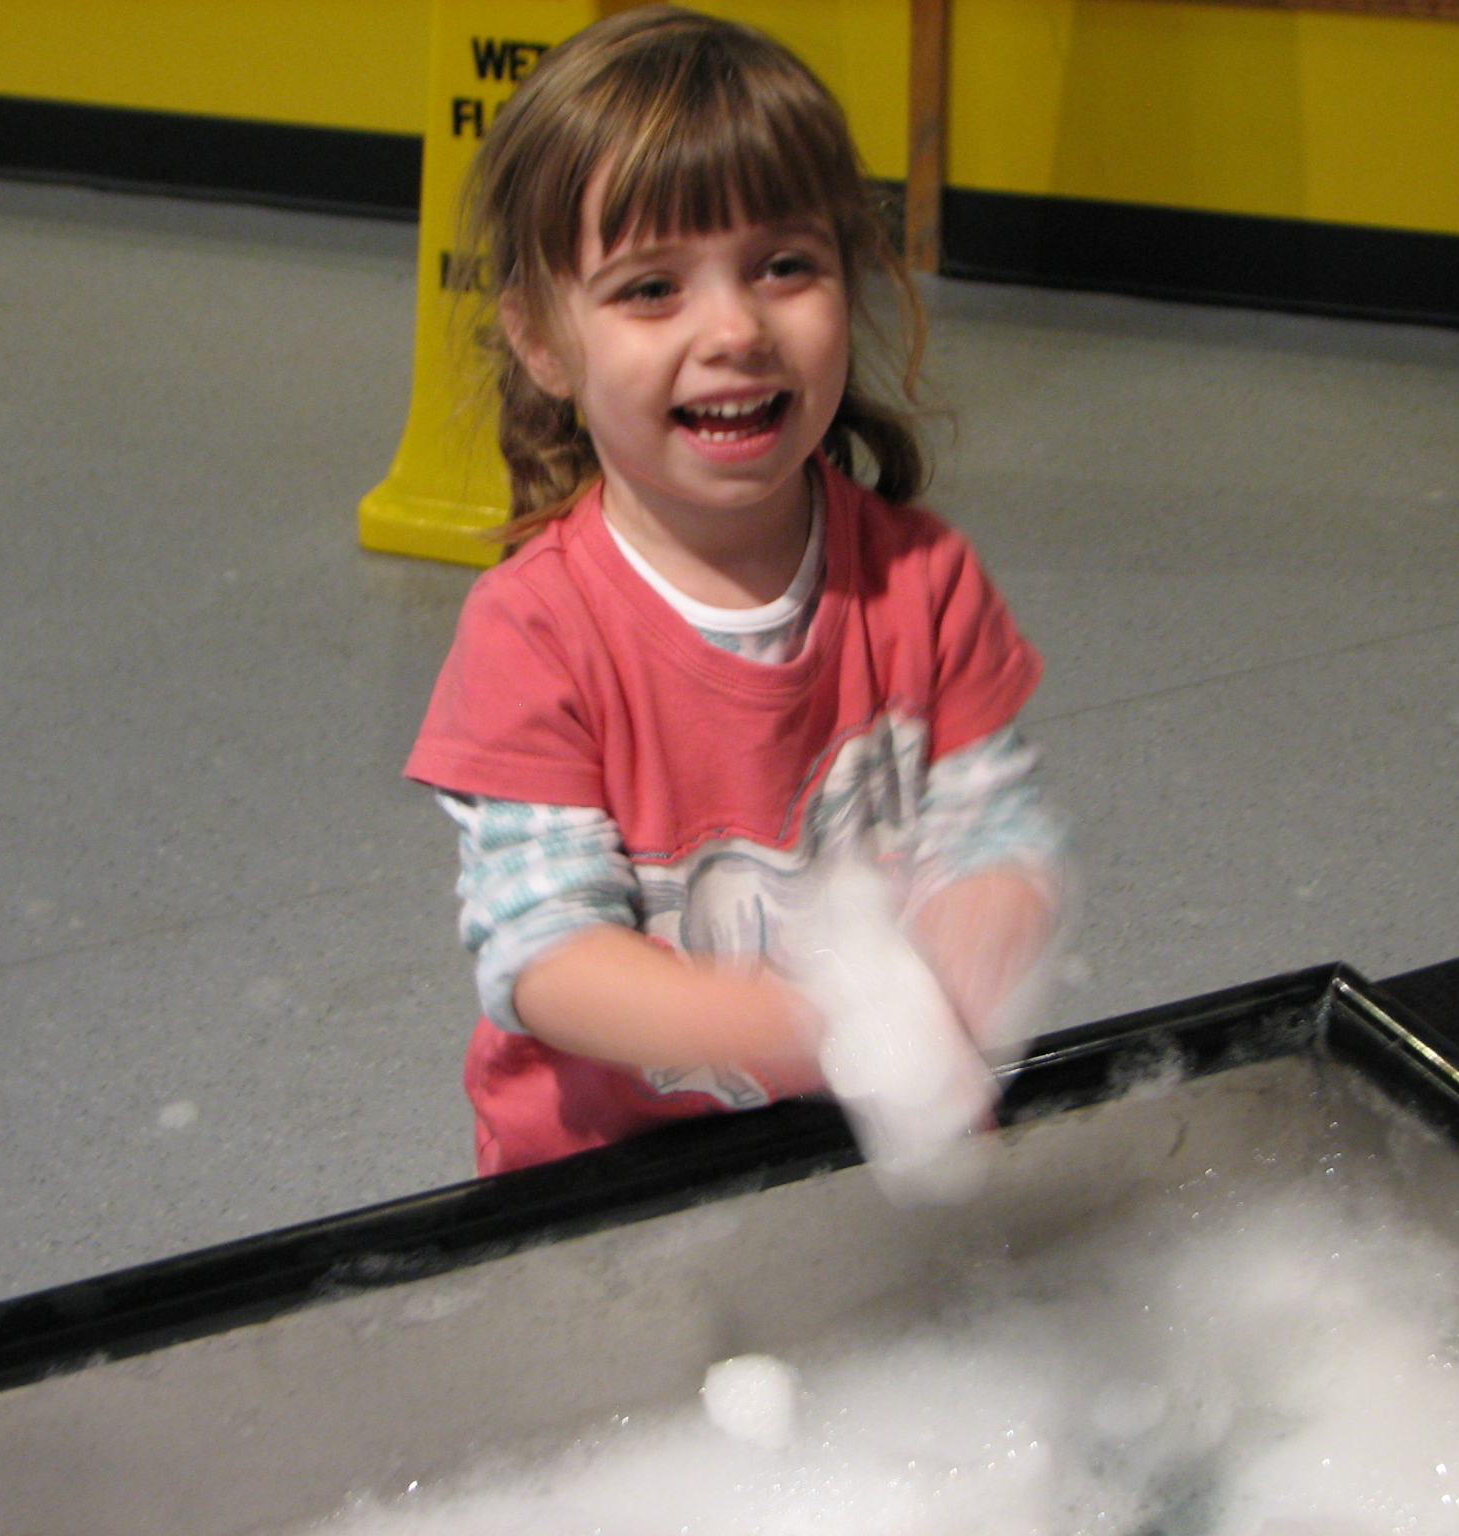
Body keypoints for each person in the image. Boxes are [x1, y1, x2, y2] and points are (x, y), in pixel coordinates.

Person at [406, 6, 1070, 1176]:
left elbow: (991, 836)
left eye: (783, 266)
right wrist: (823, 1023)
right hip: (608, 1176)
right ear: (542, 340)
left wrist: (959, 971)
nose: (733, 329)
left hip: (847, 1151)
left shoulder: (921, 580)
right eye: (650, 288)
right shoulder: (533, 633)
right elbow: (544, 952)